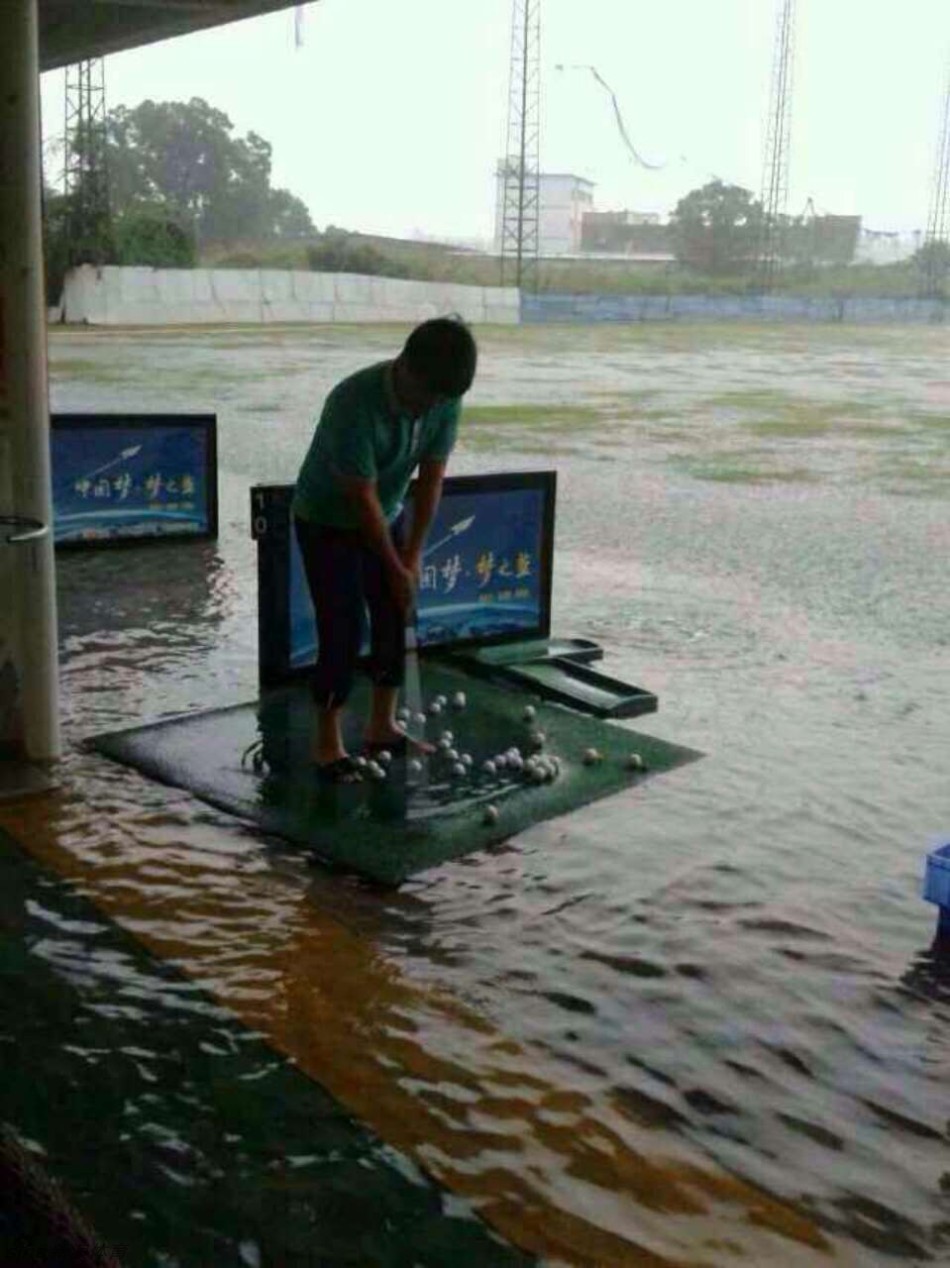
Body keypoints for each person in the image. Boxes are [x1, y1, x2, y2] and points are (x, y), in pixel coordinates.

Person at [292, 316, 478, 782]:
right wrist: (393, 565)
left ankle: (382, 726)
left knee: (396, 611)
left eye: (444, 399)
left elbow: (431, 478)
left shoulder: (444, 399)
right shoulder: (352, 403)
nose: (434, 407)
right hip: (327, 519)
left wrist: (411, 560)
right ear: (406, 367)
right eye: (430, 395)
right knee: (344, 626)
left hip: (387, 512)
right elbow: (362, 497)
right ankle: (327, 743)